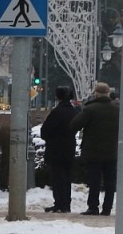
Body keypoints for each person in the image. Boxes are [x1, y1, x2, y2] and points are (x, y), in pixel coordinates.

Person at [70, 81, 118, 216]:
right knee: (110, 181)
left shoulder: (90, 109)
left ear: (96, 94)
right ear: (108, 93)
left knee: (94, 180)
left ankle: (93, 207)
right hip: (112, 151)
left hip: (93, 151)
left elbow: (74, 125)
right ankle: (107, 208)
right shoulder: (117, 110)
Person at [40, 86, 77, 214]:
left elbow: (45, 132)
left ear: (58, 97)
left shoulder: (56, 112)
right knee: (67, 177)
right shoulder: (73, 111)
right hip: (70, 147)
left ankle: (59, 203)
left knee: (57, 177)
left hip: (56, 148)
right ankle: (66, 203)